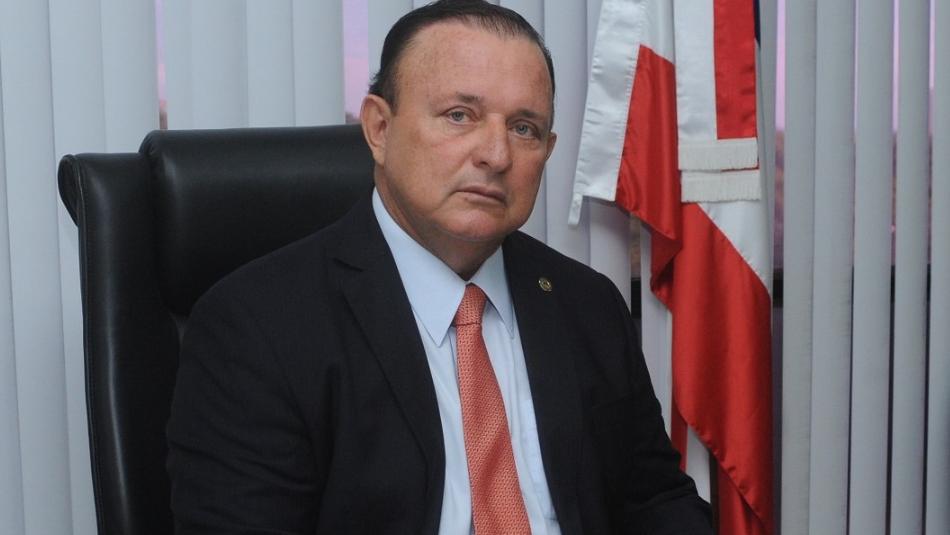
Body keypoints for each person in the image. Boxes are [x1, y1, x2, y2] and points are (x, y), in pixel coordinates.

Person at [166, 1, 712, 533]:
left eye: (524, 128)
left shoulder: (587, 304)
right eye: (459, 115)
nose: (496, 154)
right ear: (379, 128)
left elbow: (656, 500)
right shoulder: (257, 326)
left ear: (548, 151)